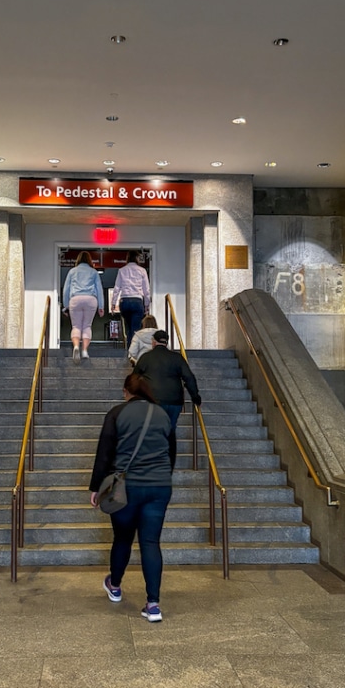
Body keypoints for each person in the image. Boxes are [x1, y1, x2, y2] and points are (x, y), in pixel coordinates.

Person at [89, 372, 172, 622]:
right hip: (159, 486)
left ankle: (114, 586)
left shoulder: (116, 414)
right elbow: (172, 451)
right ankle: (153, 605)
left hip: (126, 487)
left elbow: (105, 452)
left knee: (123, 538)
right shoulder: (163, 414)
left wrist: (96, 487)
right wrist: (162, 477)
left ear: (127, 392)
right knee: (151, 542)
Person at [133, 329, 201, 470]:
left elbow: (134, 379)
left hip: (153, 401)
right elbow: (189, 377)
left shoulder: (146, 358)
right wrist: (195, 396)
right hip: (174, 402)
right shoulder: (176, 358)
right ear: (166, 342)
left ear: (153, 342)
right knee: (170, 430)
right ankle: (168, 464)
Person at [62, 251, 104, 361]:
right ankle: (84, 351)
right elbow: (99, 289)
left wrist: (66, 305)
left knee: (76, 326)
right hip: (90, 299)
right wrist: (101, 306)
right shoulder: (94, 272)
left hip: (75, 299)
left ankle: (76, 346)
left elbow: (66, 289)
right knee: (87, 326)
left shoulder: (72, 272)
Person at [111, 251, 151, 351]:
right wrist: (147, 305)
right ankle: (133, 352)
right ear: (137, 258)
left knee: (129, 328)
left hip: (124, 302)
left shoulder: (121, 270)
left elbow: (117, 288)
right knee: (135, 328)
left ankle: (130, 350)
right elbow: (146, 289)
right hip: (137, 301)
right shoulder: (142, 271)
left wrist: (113, 303)